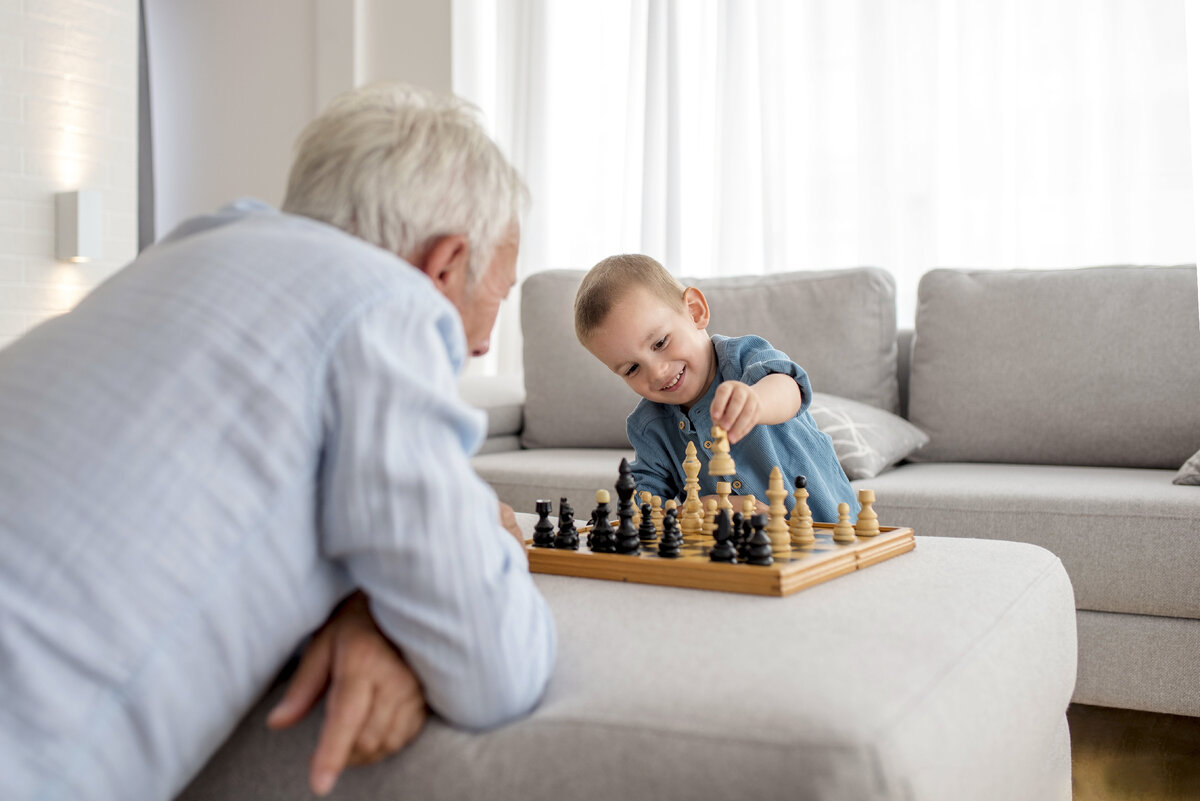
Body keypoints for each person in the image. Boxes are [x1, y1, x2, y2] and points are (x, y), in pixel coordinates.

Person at [0, 83, 556, 801]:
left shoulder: (196, 244)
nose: (481, 342)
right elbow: (493, 666)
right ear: (443, 265)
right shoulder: (388, 304)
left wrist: (365, 602)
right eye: (498, 296)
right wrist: (487, 552)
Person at [573, 253, 857, 523]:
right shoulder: (649, 427)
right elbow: (644, 508)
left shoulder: (745, 359)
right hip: (749, 556)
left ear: (695, 312)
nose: (657, 372)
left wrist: (755, 401)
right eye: (632, 369)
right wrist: (694, 509)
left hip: (832, 531)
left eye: (660, 343)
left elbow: (790, 389)